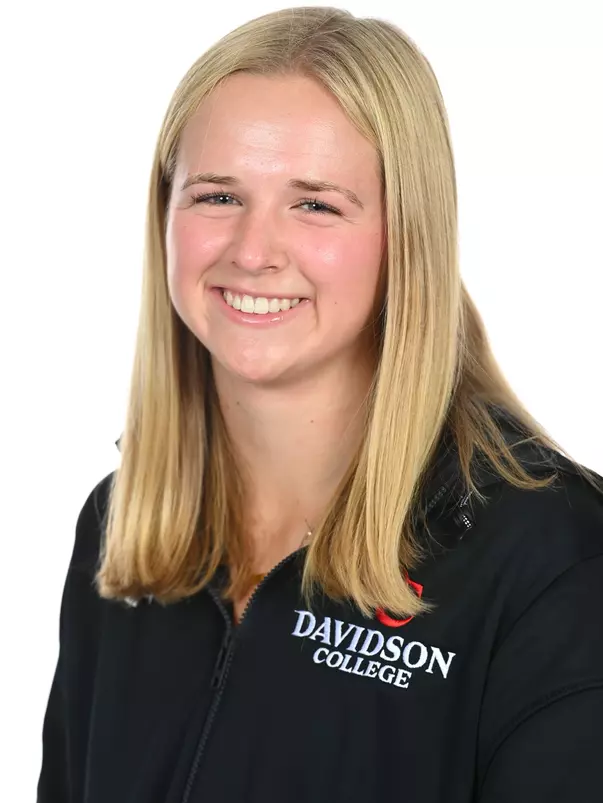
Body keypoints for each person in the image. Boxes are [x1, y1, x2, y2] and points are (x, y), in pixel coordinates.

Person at [37, 6, 603, 802]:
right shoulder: (123, 530)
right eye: (216, 196)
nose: (253, 251)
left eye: (315, 204)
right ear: (163, 216)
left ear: (406, 236)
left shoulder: (553, 563)